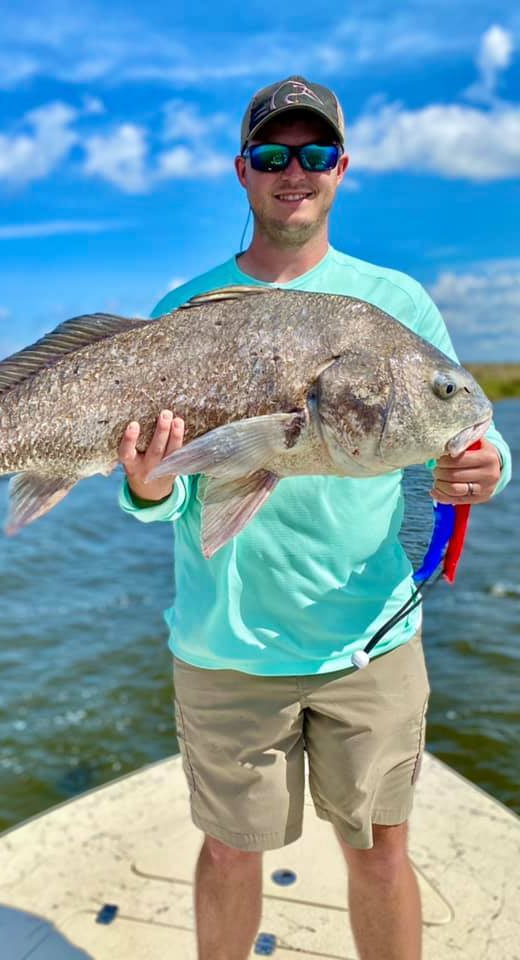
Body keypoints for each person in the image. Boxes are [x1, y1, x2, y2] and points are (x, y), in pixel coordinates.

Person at [116, 76, 512, 960]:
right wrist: (146, 487)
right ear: (242, 171)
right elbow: (164, 494)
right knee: (229, 851)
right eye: (271, 154)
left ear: (341, 167)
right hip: (225, 645)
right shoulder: (183, 309)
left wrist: (487, 466)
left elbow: (469, 429)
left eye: (314, 152)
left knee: (380, 853)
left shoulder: (395, 302)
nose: (293, 171)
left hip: (369, 639)